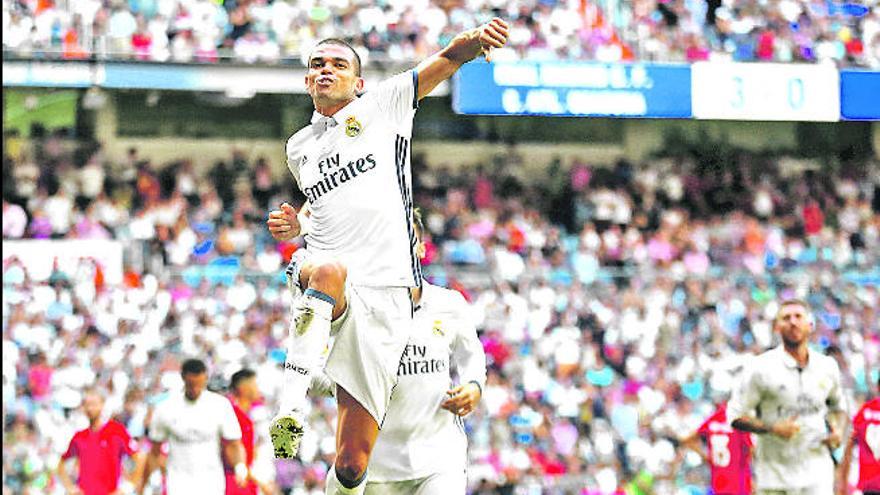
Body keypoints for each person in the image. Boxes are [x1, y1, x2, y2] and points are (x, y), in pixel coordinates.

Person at [264, 18, 509, 495]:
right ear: (307, 80)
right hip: (331, 280)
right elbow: (330, 202)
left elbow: (439, 64)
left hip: (388, 298)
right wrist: (301, 228)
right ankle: (289, 407)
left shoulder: (384, 106)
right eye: (317, 65)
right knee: (328, 268)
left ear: (359, 82)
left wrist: (470, 44)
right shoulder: (299, 146)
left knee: (353, 465)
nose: (325, 70)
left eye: (338, 64)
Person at [365, 210, 486, 494]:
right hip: (378, 465)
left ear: (421, 247)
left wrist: (474, 385)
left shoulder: (449, 303)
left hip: (439, 459)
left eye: (408, 239)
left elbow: (471, 354)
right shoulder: (362, 309)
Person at [728, 299, 848, 495]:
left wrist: (838, 431)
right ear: (777, 327)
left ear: (810, 325)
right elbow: (735, 415)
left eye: (798, 317)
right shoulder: (759, 368)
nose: (793, 322)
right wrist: (772, 428)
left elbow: (839, 407)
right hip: (775, 478)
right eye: (786, 318)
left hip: (817, 475)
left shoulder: (827, 366)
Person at [138, 358, 248, 495]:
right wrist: (144, 484)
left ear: (205, 379)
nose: (195, 389)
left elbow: (234, 444)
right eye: (191, 385)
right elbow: (154, 451)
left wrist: (239, 466)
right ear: (183, 378)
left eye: (199, 385)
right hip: (178, 483)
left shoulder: (219, 406)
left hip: (211, 482)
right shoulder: (166, 409)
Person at [57, 388, 141, 495]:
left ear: (102, 404)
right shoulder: (79, 437)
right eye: (86, 405)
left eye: (93, 404)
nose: (90, 408)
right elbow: (61, 463)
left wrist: (126, 488)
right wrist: (70, 488)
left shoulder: (116, 431)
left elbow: (139, 458)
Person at [680, 400, 753, 495]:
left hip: (719, 480)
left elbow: (686, 440)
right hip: (739, 480)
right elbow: (750, 448)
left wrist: (706, 457)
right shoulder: (738, 421)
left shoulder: (713, 419)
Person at [225, 368, 271, 495]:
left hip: (246, 480)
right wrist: (261, 482)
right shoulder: (232, 415)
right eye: (255, 385)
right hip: (234, 481)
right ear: (243, 388)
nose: (258, 389)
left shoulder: (247, 416)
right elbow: (231, 454)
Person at [838, 375, 880, 495]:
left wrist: (843, 480)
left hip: (869, 485)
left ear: (877, 387)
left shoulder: (866, 410)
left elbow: (850, 444)